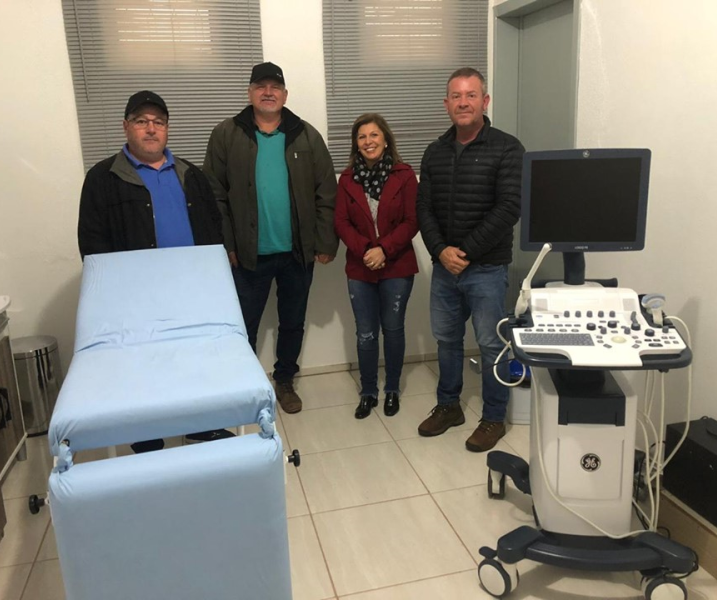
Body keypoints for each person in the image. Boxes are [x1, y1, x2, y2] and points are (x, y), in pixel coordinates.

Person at [77, 90, 231, 452]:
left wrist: (213, 280)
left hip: (190, 292)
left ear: (167, 128)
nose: (151, 129)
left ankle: (201, 426)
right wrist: (110, 293)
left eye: (158, 122)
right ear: (126, 127)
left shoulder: (191, 174)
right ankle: (146, 433)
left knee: (193, 359)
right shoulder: (103, 178)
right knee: (141, 366)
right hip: (135, 298)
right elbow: (92, 242)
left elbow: (213, 229)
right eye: (142, 121)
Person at [203, 62, 338, 415]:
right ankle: (243, 385)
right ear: (250, 93)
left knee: (292, 322)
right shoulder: (227, 134)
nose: (268, 92)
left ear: (285, 95)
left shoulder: (305, 135)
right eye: (260, 86)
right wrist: (226, 245)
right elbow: (214, 195)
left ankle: (285, 380)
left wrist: (325, 242)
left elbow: (326, 191)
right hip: (247, 255)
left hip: (297, 254)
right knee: (242, 325)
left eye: (274, 87)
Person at [416, 68, 525, 452]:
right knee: (447, 340)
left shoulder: (508, 149)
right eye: (456, 96)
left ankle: (493, 418)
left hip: (487, 269)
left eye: (471, 95)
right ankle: (449, 407)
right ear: (446, 104)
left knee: (491, 344)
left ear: (485, 101)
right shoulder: (435, 151)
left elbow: (509, 207)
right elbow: (423, 208)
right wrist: (440, 251)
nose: (463, 103)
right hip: (445, 268)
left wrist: (464, 252)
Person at [334, 114, 419, 419]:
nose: (368, 141)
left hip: (397, 266)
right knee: (366, 333)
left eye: (374, 135)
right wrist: (367, 251)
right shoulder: (347, 179)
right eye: (361, 137)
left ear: (385, 139)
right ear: (355, 143)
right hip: (360, 268)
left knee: (393, 330)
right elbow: (341, 222)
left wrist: (384, 249)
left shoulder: (404, 175)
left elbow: (412, 220)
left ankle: (392, 389)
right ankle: (368, 391)